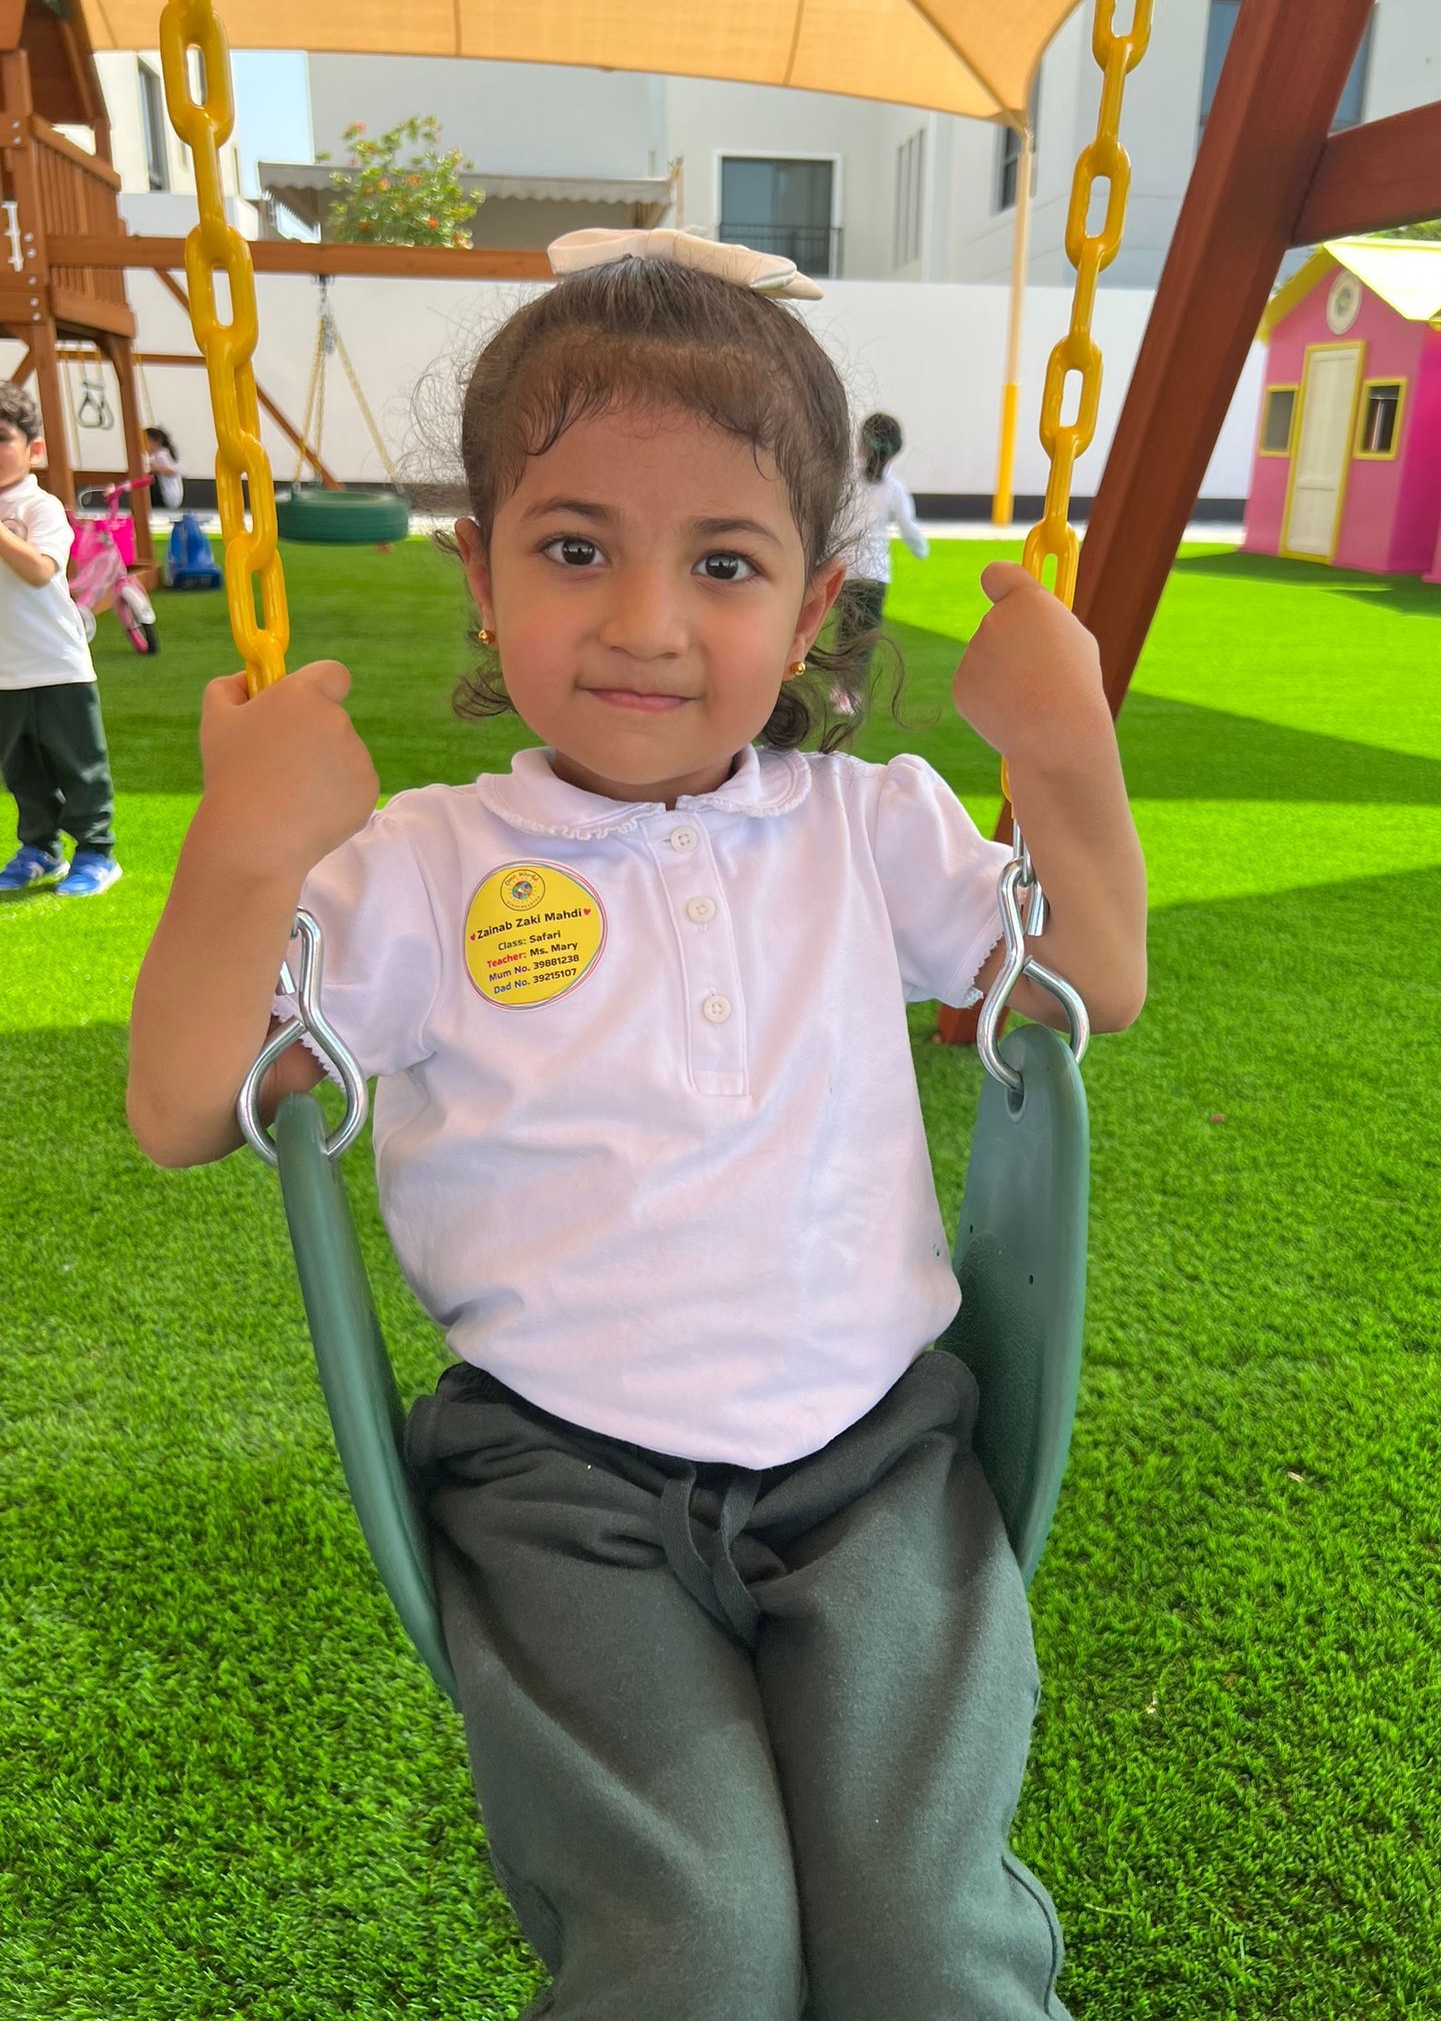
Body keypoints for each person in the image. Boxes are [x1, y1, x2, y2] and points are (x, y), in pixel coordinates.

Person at [127, 228, 1147, 2021]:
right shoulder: (428, 869)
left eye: (724, 562)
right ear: (481, 572)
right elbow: (182, 1107)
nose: (645, 622)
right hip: (559, 1487)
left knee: (925, 1945)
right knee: (694, 1944)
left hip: (880, 1466)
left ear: (813, 607)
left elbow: (1088, 986)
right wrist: (245, 850)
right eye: (576, 548)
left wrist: (1065, 756)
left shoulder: (868, 825)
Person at [0, 383, 122, 898]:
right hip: (5, 670)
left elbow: (38, 570)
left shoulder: (40, 506)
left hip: (56, 664)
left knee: (79, 765)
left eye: (1, 438)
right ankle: (41, 848)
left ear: (34, 450)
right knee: (22, 769)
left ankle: (96, 852)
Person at [836, 410, 928, 671]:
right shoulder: (894, 489)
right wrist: (921, 550)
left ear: (861, 443)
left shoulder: (844, 480)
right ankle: (848, 688)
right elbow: (908, 527)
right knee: (863, 639)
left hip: (844, 570)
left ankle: (841, 685)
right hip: (875, 575)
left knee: (844, 631)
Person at [144, 425, 183, 510]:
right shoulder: (155, 455)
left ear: (157, 442)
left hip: (167, 497)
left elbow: (173, 471)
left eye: (147, 441)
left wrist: (156, 469)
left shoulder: (161, 454)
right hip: (171, 497)